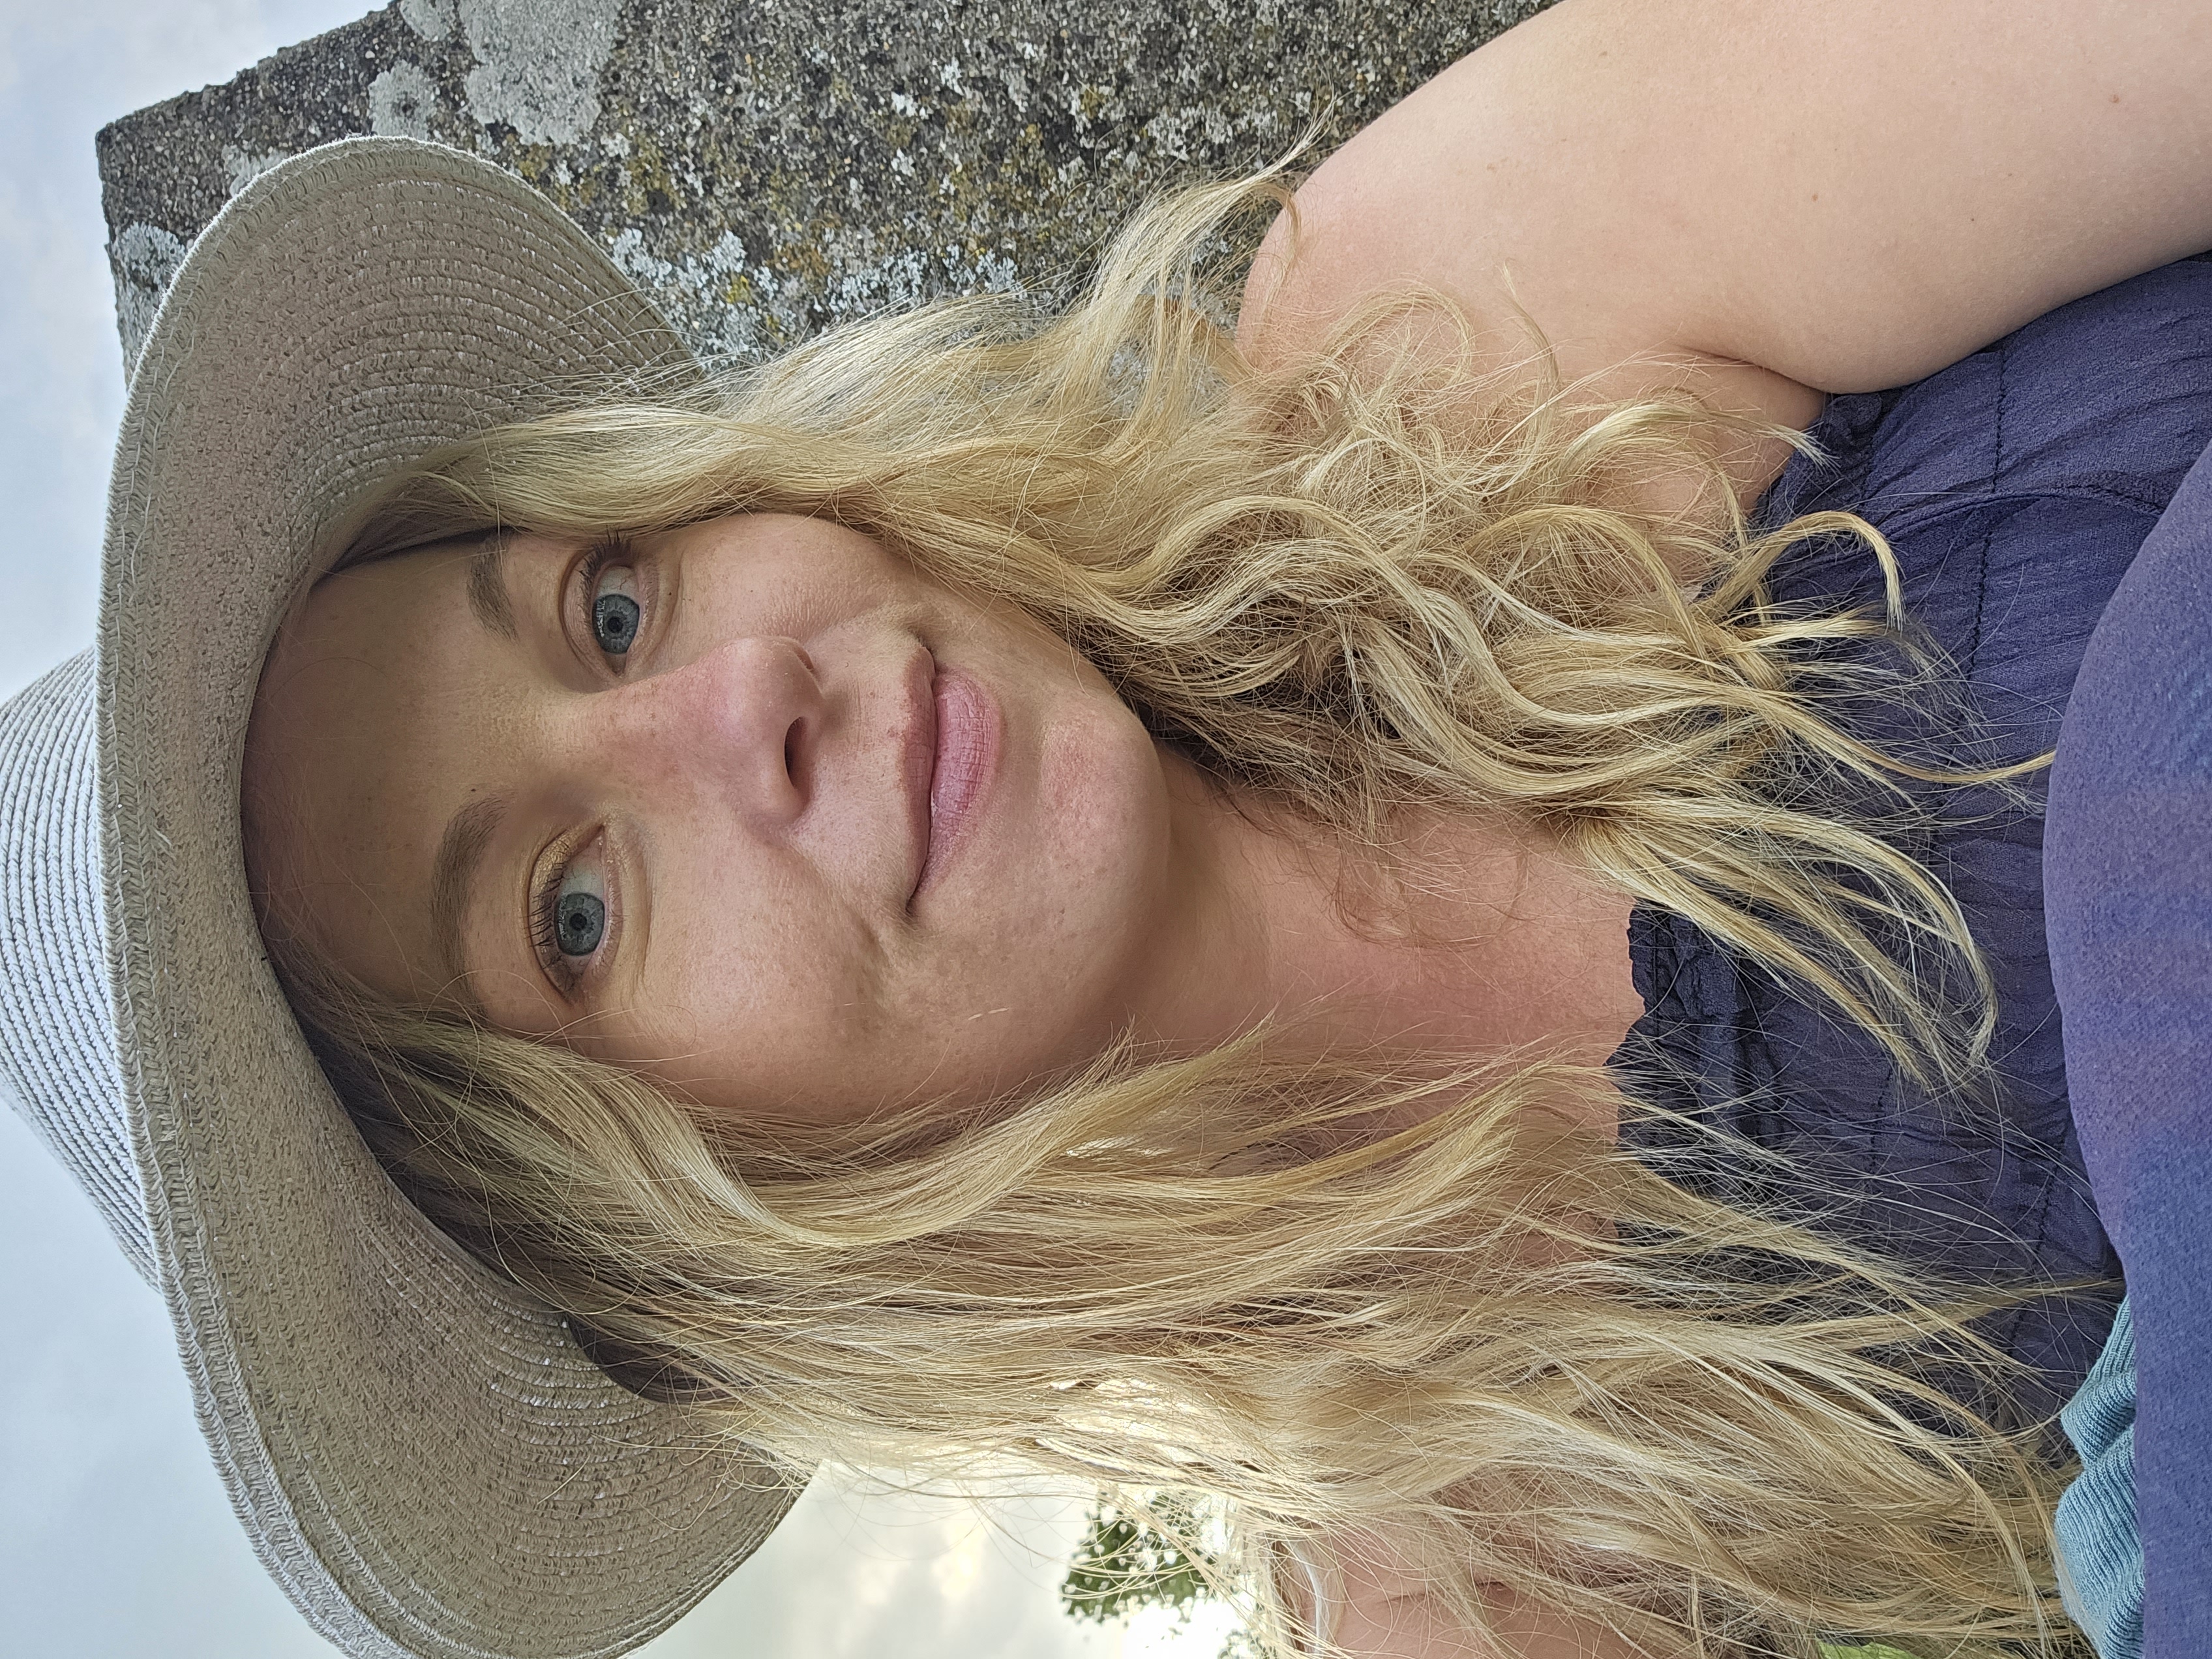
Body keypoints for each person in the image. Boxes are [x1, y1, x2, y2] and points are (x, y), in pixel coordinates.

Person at [10, 1, 2212, 1655]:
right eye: (573, 906)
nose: (731, 705)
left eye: (611, 602)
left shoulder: (1469, 311)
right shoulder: (1499, 1562)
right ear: (670, 1229)